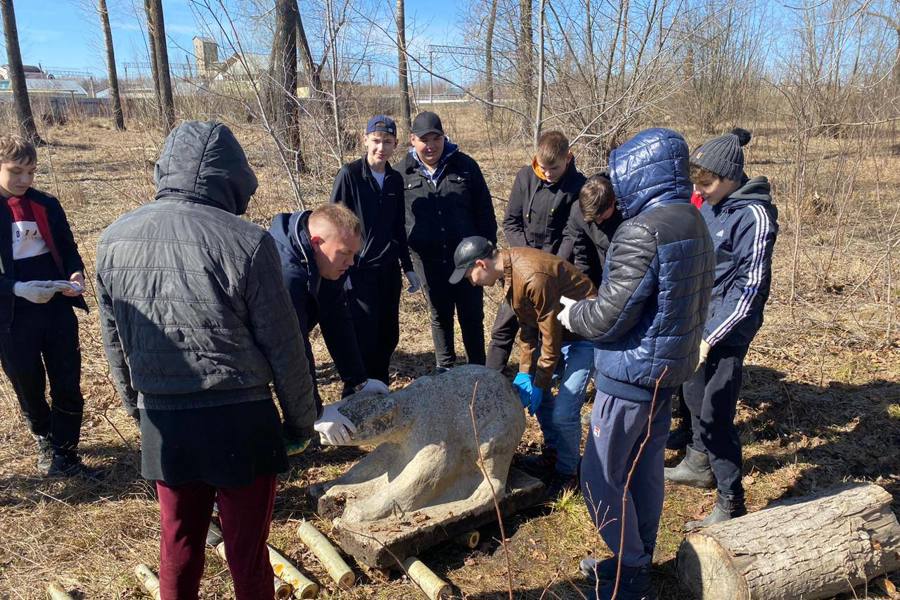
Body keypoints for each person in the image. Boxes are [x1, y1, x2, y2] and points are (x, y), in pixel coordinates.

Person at [96, 121, 316, 599]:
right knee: (246, 550)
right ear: (233, 178)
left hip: (165, 418)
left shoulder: (112, 240)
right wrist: (301, 422)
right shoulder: (248, 241)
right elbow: (285, 345)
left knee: (177, 544)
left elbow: (115, 345)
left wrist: (140, 412)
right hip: (239, 419)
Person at [557, 128, 715, 600]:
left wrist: (572, 314)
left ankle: (628, 570)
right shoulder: (692, 217)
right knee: (644, 469)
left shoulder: (642, 230)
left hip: (628, 377)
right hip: (666, 373)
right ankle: (639, 555)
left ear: (636, 175)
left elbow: (609, 315)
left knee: (600, 476)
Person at [665, 128, 778, 529]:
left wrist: (710, 339)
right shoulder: (712, 205)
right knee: (693, 397)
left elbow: (749, 291)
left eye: (707, 184)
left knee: (715, 413)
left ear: (730, 177)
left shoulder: (755, 217)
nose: (702, 191)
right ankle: (698, 463)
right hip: (700, 323)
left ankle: (732, 502)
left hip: (728, 332)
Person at [452, 236, 596, 497]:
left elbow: (549, 337)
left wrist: (540, 381)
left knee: (565, 409)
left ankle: (569, 473)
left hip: (583, 336)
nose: (470, 282)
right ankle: (553, 453)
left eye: (468, 275)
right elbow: (528, 328)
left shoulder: (531, 276)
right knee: (542, 401)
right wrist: (523, 372)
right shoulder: (509, 275)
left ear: (481, 264)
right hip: (559, 332)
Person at [0, 134, 93, 478]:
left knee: (67, 378)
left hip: (55, 306)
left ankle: (66, 452)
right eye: (16, 171)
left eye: (31, 172)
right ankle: (43, 436)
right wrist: (17, 289)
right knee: (28, 382)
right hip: (11, 315)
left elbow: (69, 249)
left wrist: (75, 275)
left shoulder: (47, 204)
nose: (24, 180)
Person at [269, 203, 390, 446]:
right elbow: (292, 348)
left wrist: (358, 380)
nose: (352, 262)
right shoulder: (286, 274)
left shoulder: (326, 263)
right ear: (316, 243)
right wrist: (315, 412)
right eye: (345, 253)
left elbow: (337, 320)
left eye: (354, 254)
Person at [399, 111, 497, 371]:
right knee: (440, 315)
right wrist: (406, 260)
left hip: (468, 261)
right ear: (412, 140)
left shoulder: (465, 166)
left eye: (436, 138)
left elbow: (485, 211)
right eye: (424, 140)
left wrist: (486, 252)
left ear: (444, 137)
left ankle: (477, 370)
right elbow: (396, 220)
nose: (430, 145)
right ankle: (446, 370)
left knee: (472, 315)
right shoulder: (401, 173)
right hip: (428, 261)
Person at [486, 131, 586, 371]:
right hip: (519, 266)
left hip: (554, 268)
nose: (548, 174)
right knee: (504, 326)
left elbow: (572, 234)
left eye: (554, 168)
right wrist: (525, 260)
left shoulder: (578, 186)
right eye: (543, 168)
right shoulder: (525, 177)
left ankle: (542, 381)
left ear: (568, 158)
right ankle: (489, 379)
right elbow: (511, 222)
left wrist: (547, 268)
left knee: (547, 330)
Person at [330, 115, 419, 387]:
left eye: (388, 142)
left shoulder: (394, 179)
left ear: (396, 145)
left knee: (388, 334)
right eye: (377, 141)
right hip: (358, 271)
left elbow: (398, 227)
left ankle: (379, 389)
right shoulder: (351, 174)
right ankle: (356, 391)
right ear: (365, 139)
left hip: (388, 271)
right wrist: (337, 268)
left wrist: (409, 267)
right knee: (363, 335)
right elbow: (333, 222)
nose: (381, 147)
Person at [557, 172, 622, 288]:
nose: (598, 222)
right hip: (599, 271)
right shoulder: (578, 211)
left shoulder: (625, 214)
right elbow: (581, 254)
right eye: (593, 219)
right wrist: (584, 288)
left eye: (602, 217)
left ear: (613, 202)